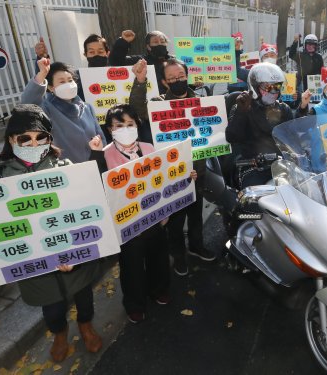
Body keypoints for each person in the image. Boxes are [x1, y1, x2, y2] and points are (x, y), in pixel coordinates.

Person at [0, 104, 103, 362]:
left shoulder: (65, 167)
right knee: (52, 308)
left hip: (73, 256)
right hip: (37, 265)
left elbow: (83, 210)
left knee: (84, 296)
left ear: (49, 139)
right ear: (11, 139)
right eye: (24, 138)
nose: (32, 143)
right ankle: (59, 334)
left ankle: (86, 326)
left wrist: (74, 251)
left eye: (41, 137)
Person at [88, 104, 177, 323]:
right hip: (126, 226)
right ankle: (134, 303)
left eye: (130, 124)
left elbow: (164, 176)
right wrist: (95, 154)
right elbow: (96, 185)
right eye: (119, 125)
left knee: (158, 257)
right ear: (110, 129)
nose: (125, 129)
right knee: (132, 266)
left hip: (154, 218)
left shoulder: (149, 148)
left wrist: (185, 175)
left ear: (137, 125)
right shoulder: (104, 154)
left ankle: (159, 289)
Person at [129, 58, 215, 276]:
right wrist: (139, 82)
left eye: (181, 77)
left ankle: (196, 246)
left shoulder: (201, 100)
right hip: (172, 173)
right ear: (164, 82)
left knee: (196, 214)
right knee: (175, 220)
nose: (178, 81)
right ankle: (178, 256)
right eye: (172, 79)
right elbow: (137, 110)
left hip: (198, 171)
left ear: (187, 76)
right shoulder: (158, 103)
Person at [21, 58, 106, 163]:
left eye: (70, 80)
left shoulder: (87, 108)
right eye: (62, 82)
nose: (68, 84)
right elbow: (27, 104)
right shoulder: (47, 109)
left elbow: (101, 137)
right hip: (67, 170)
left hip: (95, 166)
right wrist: (42, 74)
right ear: (51, 88)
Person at [226, 63, 293, 187]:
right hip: (252, 166)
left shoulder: (284, 109)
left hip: (280, 166)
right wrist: (241, 112)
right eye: (267, 87)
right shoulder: (243, 105)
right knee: (254, 202)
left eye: (276, 87)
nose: (273, 91)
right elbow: (232, 137)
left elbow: (292, 138)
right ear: (255, 87)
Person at [109, 30, 175, 94]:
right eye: (155, 42)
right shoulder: (141, 61)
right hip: (147, 102)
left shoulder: (174, 61)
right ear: (148, 46)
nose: (160, 44)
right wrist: (123, 41)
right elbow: (116, 61)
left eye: (162, 42)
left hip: (171, 100)